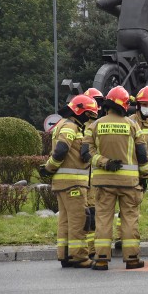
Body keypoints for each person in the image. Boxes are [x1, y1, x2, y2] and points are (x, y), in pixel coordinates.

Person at [82, 86, 148, 270]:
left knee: (104, 219)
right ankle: (132, 259)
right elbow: (142, 154)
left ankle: (102, 258)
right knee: (129, 219)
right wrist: (144, 176)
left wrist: (104, 162)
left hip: (104, 183)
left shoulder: (95, 125)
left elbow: (86, 153)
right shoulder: (132, 125)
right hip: (129, 183)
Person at [40, 94, 99, 268]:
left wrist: (50, 169)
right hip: (73, 183)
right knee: (79, 219)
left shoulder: (64, 125)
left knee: (65, 220)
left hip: (63, 183)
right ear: (80, 112)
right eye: (89, 115)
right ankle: (79, 257)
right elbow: (60, 151)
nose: (90, 118)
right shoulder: (71, 127)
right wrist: (50, 167)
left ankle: (65, 254)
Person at [82, 87, 105, 258]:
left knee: (94, 213)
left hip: (94, 176)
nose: (98, 106)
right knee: (88, 215)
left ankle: (93, 249)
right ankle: (90, 250)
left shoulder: (97, 124)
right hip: (85, 177)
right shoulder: (85, 126)